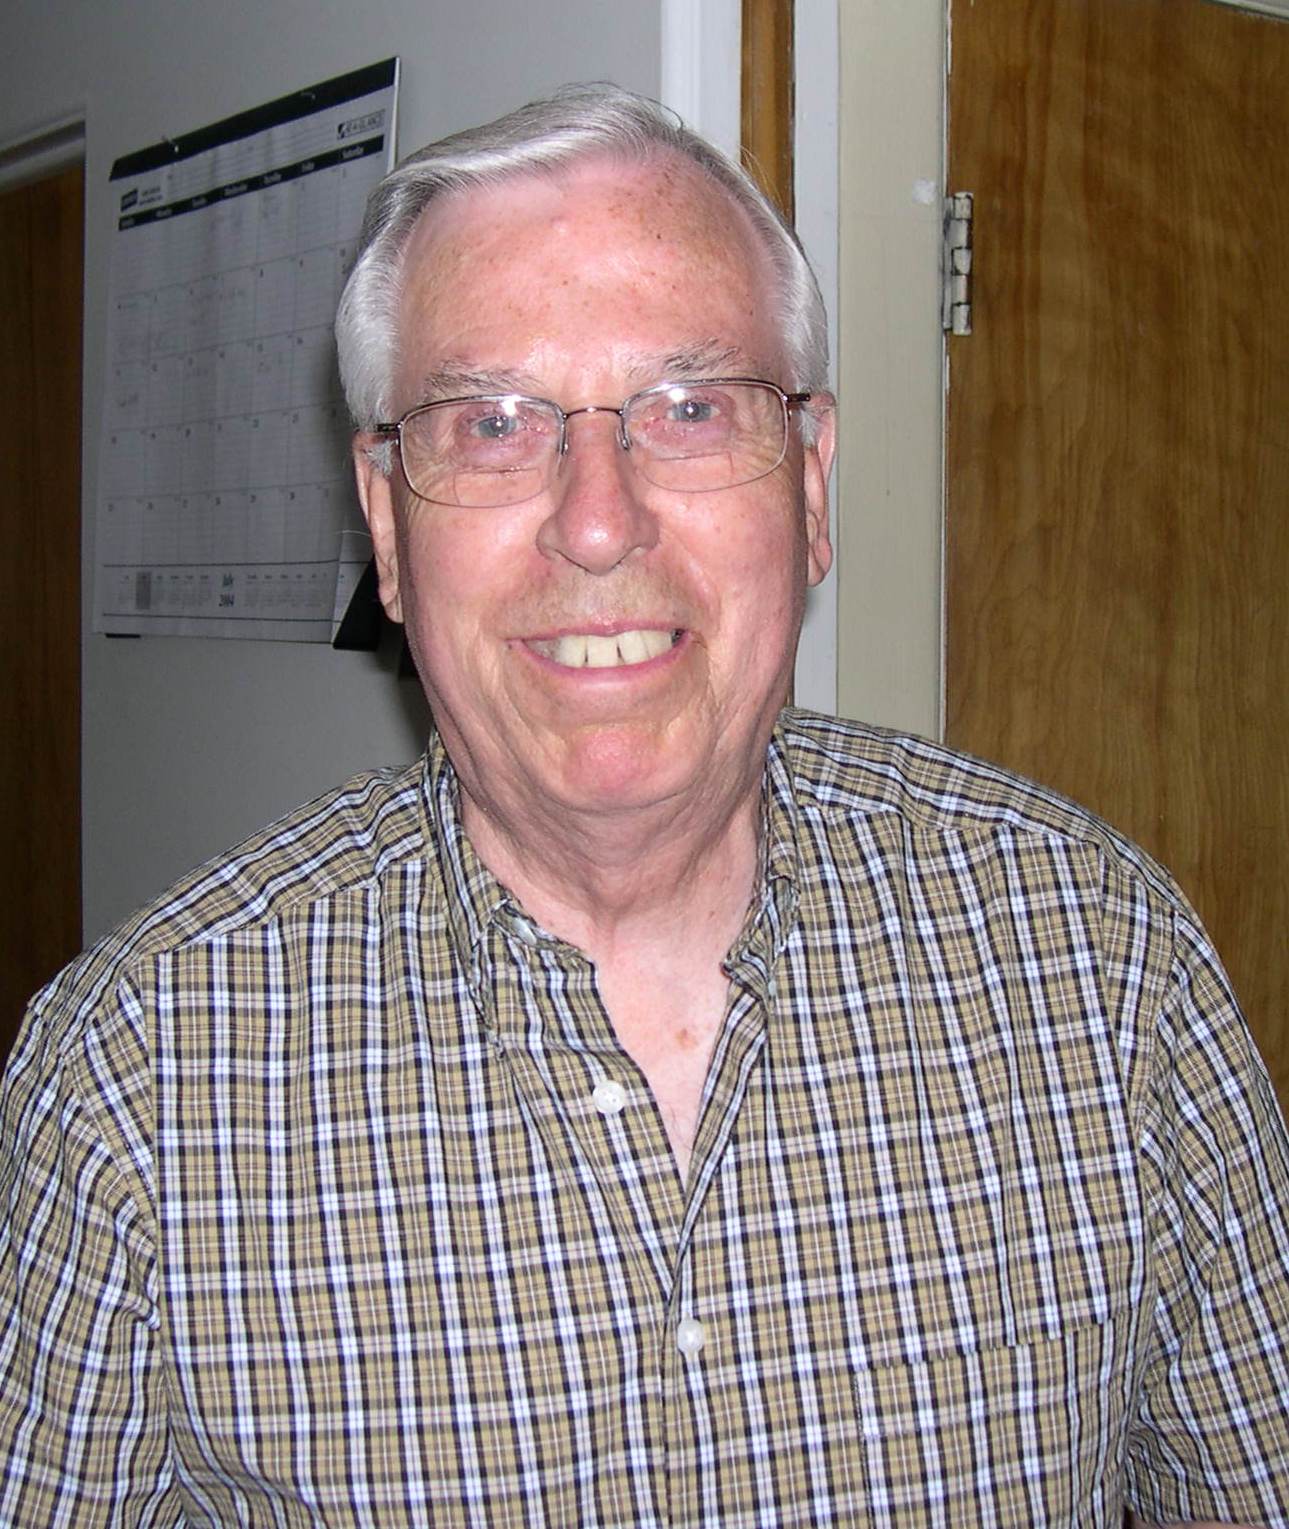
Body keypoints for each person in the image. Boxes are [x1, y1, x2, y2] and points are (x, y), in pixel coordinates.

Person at [2, 83, 1287, 1529]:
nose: (599, 521)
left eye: (690, 408)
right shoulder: (133, 1086)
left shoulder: (1105, 965)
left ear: (810, 487)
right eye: (492, 423)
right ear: (387, 525)